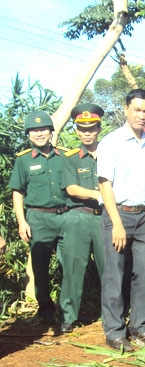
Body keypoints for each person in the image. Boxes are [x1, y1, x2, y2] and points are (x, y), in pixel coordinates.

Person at [97, 89, 145, 352]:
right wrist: (117, 224)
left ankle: (140, 328)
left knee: (144, 273)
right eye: (137, 110)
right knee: (115, 274)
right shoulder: (111, 142)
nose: (142, 116)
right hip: (118, 215)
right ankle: (114, 331)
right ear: (126, 109)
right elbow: (104, 185)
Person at [8, 110, 68, 324]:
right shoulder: (23, 161)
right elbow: (18, 192)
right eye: (34, 130)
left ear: (51, 131)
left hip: (65, 217)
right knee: (40, 268)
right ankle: (45, 310)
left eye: (43, 129)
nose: (39, 133)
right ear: (28, 135)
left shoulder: (65, 156)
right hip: (38, 219)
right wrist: (21, 221)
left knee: (68, 264)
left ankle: (67, 310)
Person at [59, 103, 106, 333]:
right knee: (74, 268)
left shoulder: (109, 154)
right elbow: (71, 188)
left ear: (99, 128)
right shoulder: (71, 158)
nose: (87, 133)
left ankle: (111, 314)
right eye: (82, 129)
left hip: (105, 219)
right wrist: (98, 194)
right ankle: (69, 316)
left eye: (91, 128)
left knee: (110, 268)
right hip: (79, 217)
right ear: (76, 130)